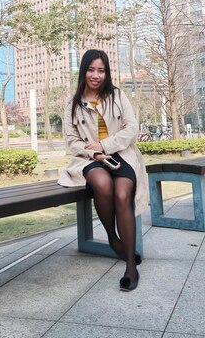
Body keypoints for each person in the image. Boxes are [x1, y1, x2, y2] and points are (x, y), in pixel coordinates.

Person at [58, 49, 148, 292]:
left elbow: (131, 128)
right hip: (90, 158)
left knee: (122, 194)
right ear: (83, 71)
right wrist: (95, 153)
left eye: (101, 70)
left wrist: (106, 145)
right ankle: (111, 236)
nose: (95, 75)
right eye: (91, 69)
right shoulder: (73, 103)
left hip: (121, 154)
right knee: (102, 183)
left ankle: (130, 266)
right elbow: (71, 140)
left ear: (107, 73)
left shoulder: (116, 96)